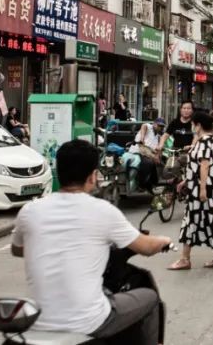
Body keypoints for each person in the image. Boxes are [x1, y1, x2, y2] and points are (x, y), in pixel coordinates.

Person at [11, 139, 172, 343]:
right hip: (90, 321)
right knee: (149, 298)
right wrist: (164, 240)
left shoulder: (30, 211)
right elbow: (147, 247)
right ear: (93, 177)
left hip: (39, 322)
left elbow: (17, 249)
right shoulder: (103, 211)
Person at [169, 111, 213, 270]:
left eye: (193, 124)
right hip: (205, 186)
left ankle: (185, 259)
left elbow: (204, 166)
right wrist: (186, 181)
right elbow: (198, 166)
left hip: (203, 188)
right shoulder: (209, 141)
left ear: (199, 125)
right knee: (211, 219)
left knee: (191, 220)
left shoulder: (205, 142)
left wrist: (201, 189)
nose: (192, 127)